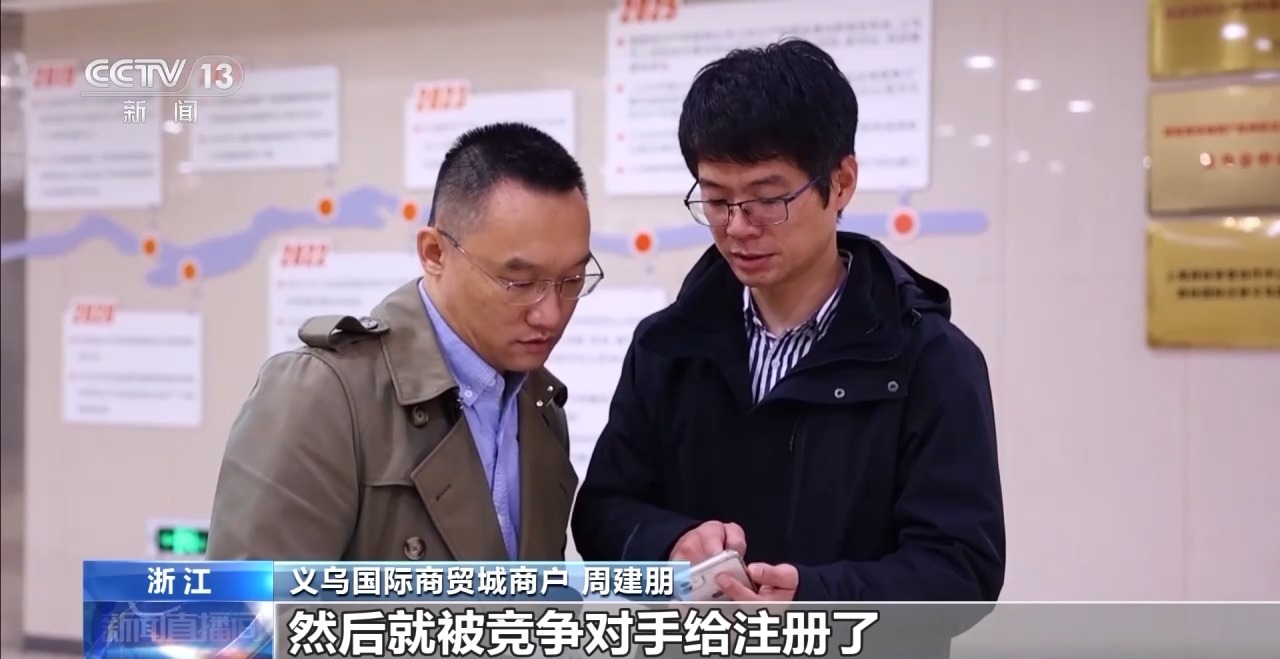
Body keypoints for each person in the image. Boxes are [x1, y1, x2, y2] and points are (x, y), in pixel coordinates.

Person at [571, 39, 1005, 602]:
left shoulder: (931, 360)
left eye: (767, 199)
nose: (738, 226)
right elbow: (603, 512)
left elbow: (961, 570)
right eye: (716, 200)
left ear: (841, 182)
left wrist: (815, 598)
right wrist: (671, 544)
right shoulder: (666, 345)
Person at [207, 122, 602, 561]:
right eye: (520, 282)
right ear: (434, 253)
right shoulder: (324, 396)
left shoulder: (540, 406)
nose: (550, 314)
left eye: (572, 280)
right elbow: (253, 601)